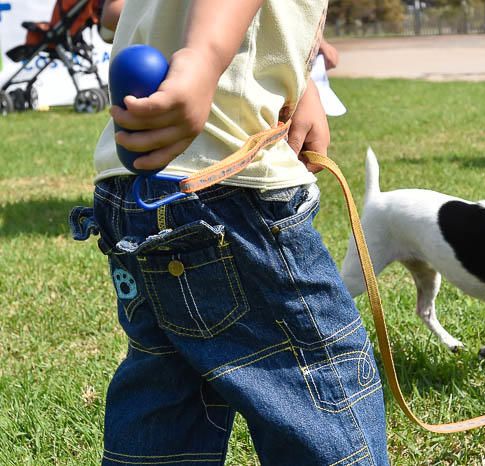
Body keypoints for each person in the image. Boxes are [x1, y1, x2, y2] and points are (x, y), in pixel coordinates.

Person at [69, 1, 389, 465]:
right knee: (320, 385)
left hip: (132, 188)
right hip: (227, 187)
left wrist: (294, 80)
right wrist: (204, 55)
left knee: (167, 385)